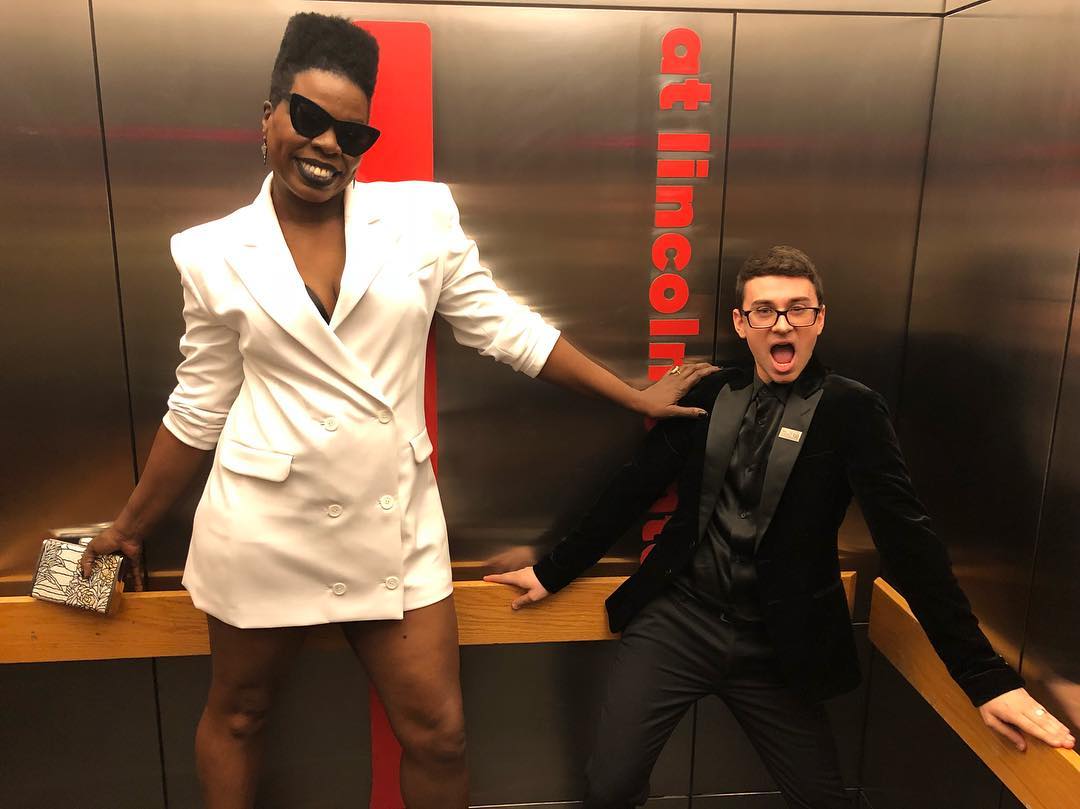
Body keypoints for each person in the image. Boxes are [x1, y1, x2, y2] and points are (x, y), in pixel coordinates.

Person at [78, 13, 715, 809]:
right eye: (308, 119)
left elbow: (503, 326)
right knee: (239, 714)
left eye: (352, 134)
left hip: (394, 518)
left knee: (439, 731)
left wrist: (630, 394)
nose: (326, 147)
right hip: (263, 520)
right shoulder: (210, 252)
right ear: (268, 115)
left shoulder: (419, 221)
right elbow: (199, 403)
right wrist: (130, 525)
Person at [486, 245, 1075, 808]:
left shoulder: (852, 410)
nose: (782, 324)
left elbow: (909, 541)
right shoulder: (707, 393)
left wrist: (984, 678)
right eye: (764, 310)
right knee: (609, 788)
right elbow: (629, 490)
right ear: (742, 324)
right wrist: (552, 569)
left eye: (798, 309)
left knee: (822, 800)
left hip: (779, 640)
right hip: (678, 621)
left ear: (819, 321)